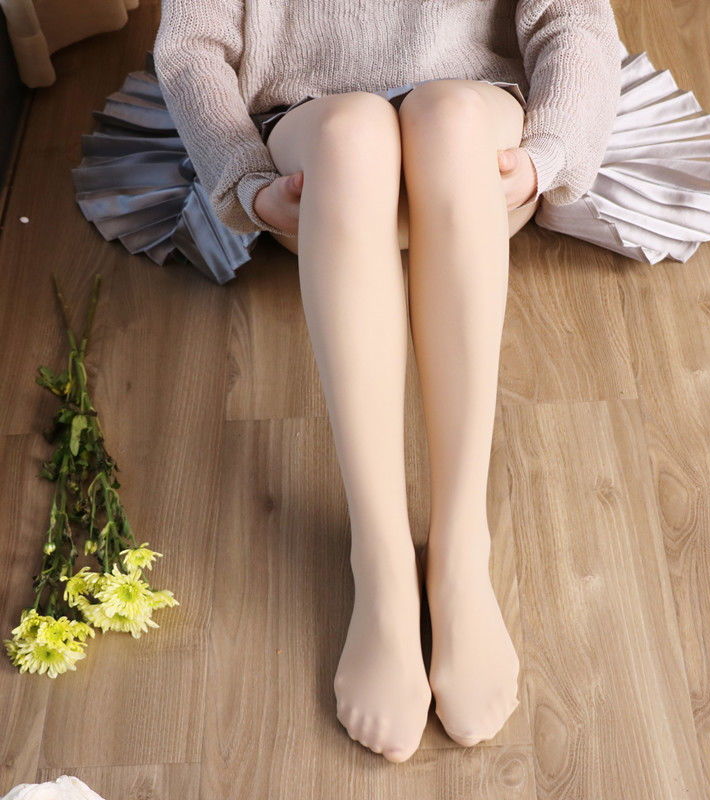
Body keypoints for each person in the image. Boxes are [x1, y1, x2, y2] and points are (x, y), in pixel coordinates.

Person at [152, 0, 621, 763]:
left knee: (446, 118)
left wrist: (549, 153)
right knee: (354, 133)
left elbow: (574, 19)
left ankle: (461, 550)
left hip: (475, 128)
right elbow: (191, 47)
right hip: (311, 138)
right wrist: (243, 177)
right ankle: (381, 562)